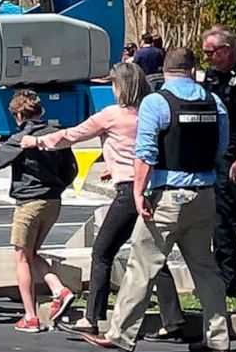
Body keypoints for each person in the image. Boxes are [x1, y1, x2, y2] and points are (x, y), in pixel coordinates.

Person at [83, 48, 232, 352]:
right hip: (204, 195)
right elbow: (221, 147)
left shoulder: (157, 102)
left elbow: (146, 154)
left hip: (167, 197)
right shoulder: (213, 102)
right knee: (205, 268)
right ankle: (218, 337)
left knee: (142, 265)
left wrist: (138, 192)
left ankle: (121, 334)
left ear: (165, 71)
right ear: (192, 70)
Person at [21, 63, 185, 337]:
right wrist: (114, 163)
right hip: (151, 188)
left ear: (120, 87)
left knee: (102, 252)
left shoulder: (112, 115)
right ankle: (173, 317)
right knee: (151, 254)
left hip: (127, 192)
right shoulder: (149, 113)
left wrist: (36, 142)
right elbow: (140, 149)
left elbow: (72, 135)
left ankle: (92, 317)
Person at [0, 90, 77, 334]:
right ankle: (59, 290)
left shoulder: (23, 138)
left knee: (20, 258)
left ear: (19, 115)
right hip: (53, 201)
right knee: (31, 253)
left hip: (29, 203)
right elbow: (72, 169)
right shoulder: (54, 135)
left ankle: (31, 315)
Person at [200, 26, 236, 300]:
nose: (206, 58)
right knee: (222, 224)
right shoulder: (212, 76)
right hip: (221, 156)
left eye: (210, 53)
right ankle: (227, 285)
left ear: (226, 51)